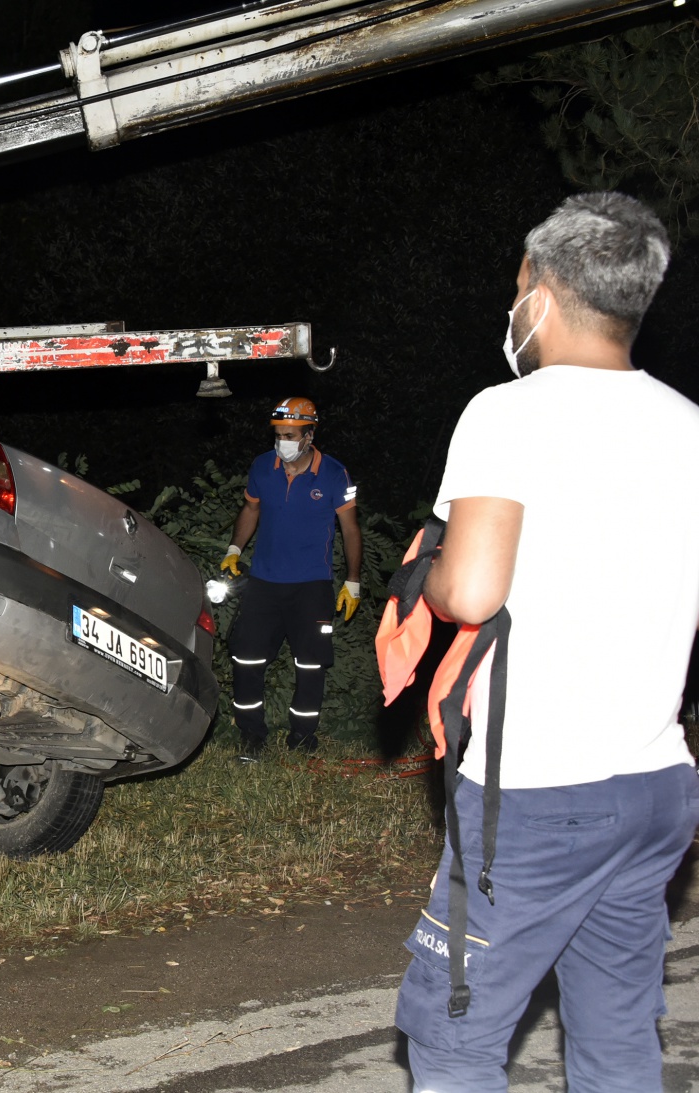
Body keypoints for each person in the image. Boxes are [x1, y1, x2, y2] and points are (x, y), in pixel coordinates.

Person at [394, 191, 699, 1091]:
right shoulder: (687, 424)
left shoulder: (508, 413)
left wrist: (429, 570)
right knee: (617, 1034)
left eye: (517, 283)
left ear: (541, 290)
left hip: (536, 796)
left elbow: (472, 590)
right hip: (656, 784)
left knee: (454, 1035)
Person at [220, 397, 362, 759]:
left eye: (290, 435)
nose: (282, 441)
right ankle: (251, 736)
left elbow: (350, 529)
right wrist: (234, 549)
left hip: (312, 585)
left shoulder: (334, 474)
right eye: (278, 434)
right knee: (246, 659)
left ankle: (302, 738)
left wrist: (353, 581)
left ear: (309, 435)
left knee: (311, 664)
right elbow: (250, 508)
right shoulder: (262, 466)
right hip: (263, 583)